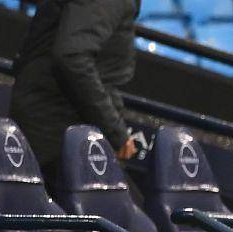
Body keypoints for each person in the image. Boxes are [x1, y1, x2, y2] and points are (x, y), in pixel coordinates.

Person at [10, 0, 140, 191]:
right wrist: (115, 132)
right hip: (58, 129)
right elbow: (73, 57)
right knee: (124, 208)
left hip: (56, 123)